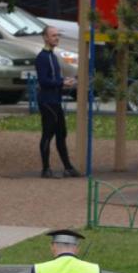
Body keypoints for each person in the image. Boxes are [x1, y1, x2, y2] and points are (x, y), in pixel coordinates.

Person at [36, 26, 81, 179]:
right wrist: (62, 83)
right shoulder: (42, 57)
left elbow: (53, 78)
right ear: (45, 37)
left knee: (62, 133)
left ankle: (68, 167)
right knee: (48, 134)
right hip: (47, 102)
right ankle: (45, 169)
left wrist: (64, 81)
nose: (56, 38)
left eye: (57, 35)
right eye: (53, 35)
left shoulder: (53, 56)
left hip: (55, 100)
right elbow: (43, 81)